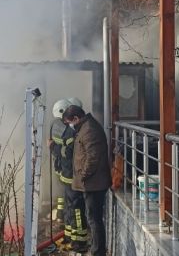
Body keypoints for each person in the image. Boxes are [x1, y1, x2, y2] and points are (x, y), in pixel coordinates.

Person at [63, 104, 111, 256]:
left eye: (69, 122)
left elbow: (93, 157)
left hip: (93, 184)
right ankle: (96, 248)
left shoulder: (89, 129)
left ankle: (98, 252)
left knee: (94, 219)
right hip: (91, 183)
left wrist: (83, 175)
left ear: (76, 118)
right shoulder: (84, 127)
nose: (70, 126)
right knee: (92, 218)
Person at [49, 97, 88, 252]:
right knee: (75, 207)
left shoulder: (58, 126)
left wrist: (53, 147)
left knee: (71, 206)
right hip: (71, 175)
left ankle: (73, 237)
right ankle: (77, 240)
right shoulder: (70, 131)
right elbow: (69, 152)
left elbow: (63, 150)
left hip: (66, 174)